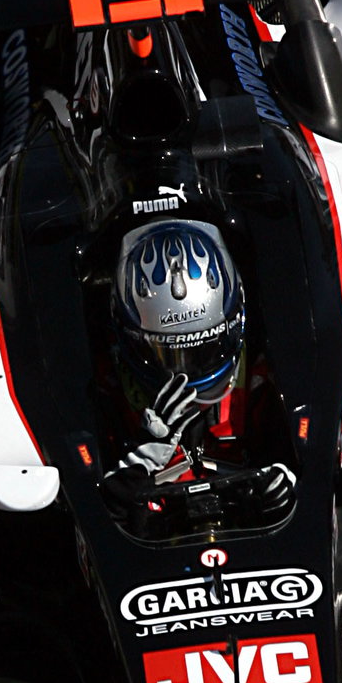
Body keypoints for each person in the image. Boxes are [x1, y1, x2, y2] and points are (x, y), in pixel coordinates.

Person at [102, 218, 295, 523]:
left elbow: (307, 462)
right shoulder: (106, 394)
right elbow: (95, 510)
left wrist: (283, 486)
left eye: (202, 350)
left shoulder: (262, 380)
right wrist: (138, 463)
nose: (186, 373)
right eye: (168, 353)